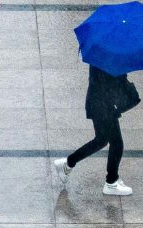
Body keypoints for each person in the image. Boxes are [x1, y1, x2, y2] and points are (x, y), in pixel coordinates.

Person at [54, 64, 137, 196]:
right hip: (102, 106)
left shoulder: (101, 55)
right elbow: (115, 82)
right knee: (116, 143)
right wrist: (130, 89)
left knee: (101, 140)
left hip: (98, 103)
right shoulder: (109, 59)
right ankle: (111, 182)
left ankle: (68, 163)